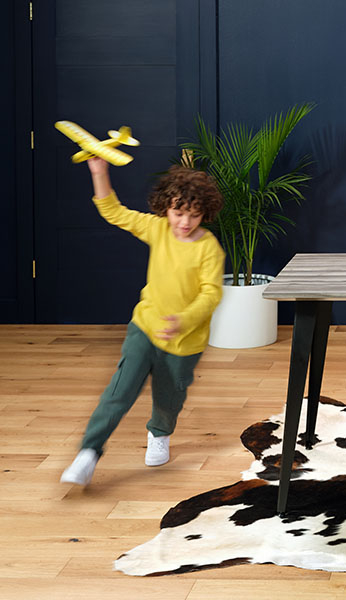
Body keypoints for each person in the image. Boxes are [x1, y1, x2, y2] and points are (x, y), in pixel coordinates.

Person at [61, 157, 225, 485]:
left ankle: (160, 433)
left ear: (204, 213)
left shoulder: (209, 249)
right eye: (179, 213)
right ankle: (89, 452)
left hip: (184, 342)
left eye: (193, 215)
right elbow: (113, 212)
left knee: (169, 397)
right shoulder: (157, 229)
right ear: (166, 208)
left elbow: (211, 295)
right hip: (145, 328)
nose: (184, 222)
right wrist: (100, 172)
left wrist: (182, 320)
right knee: (119, 391)